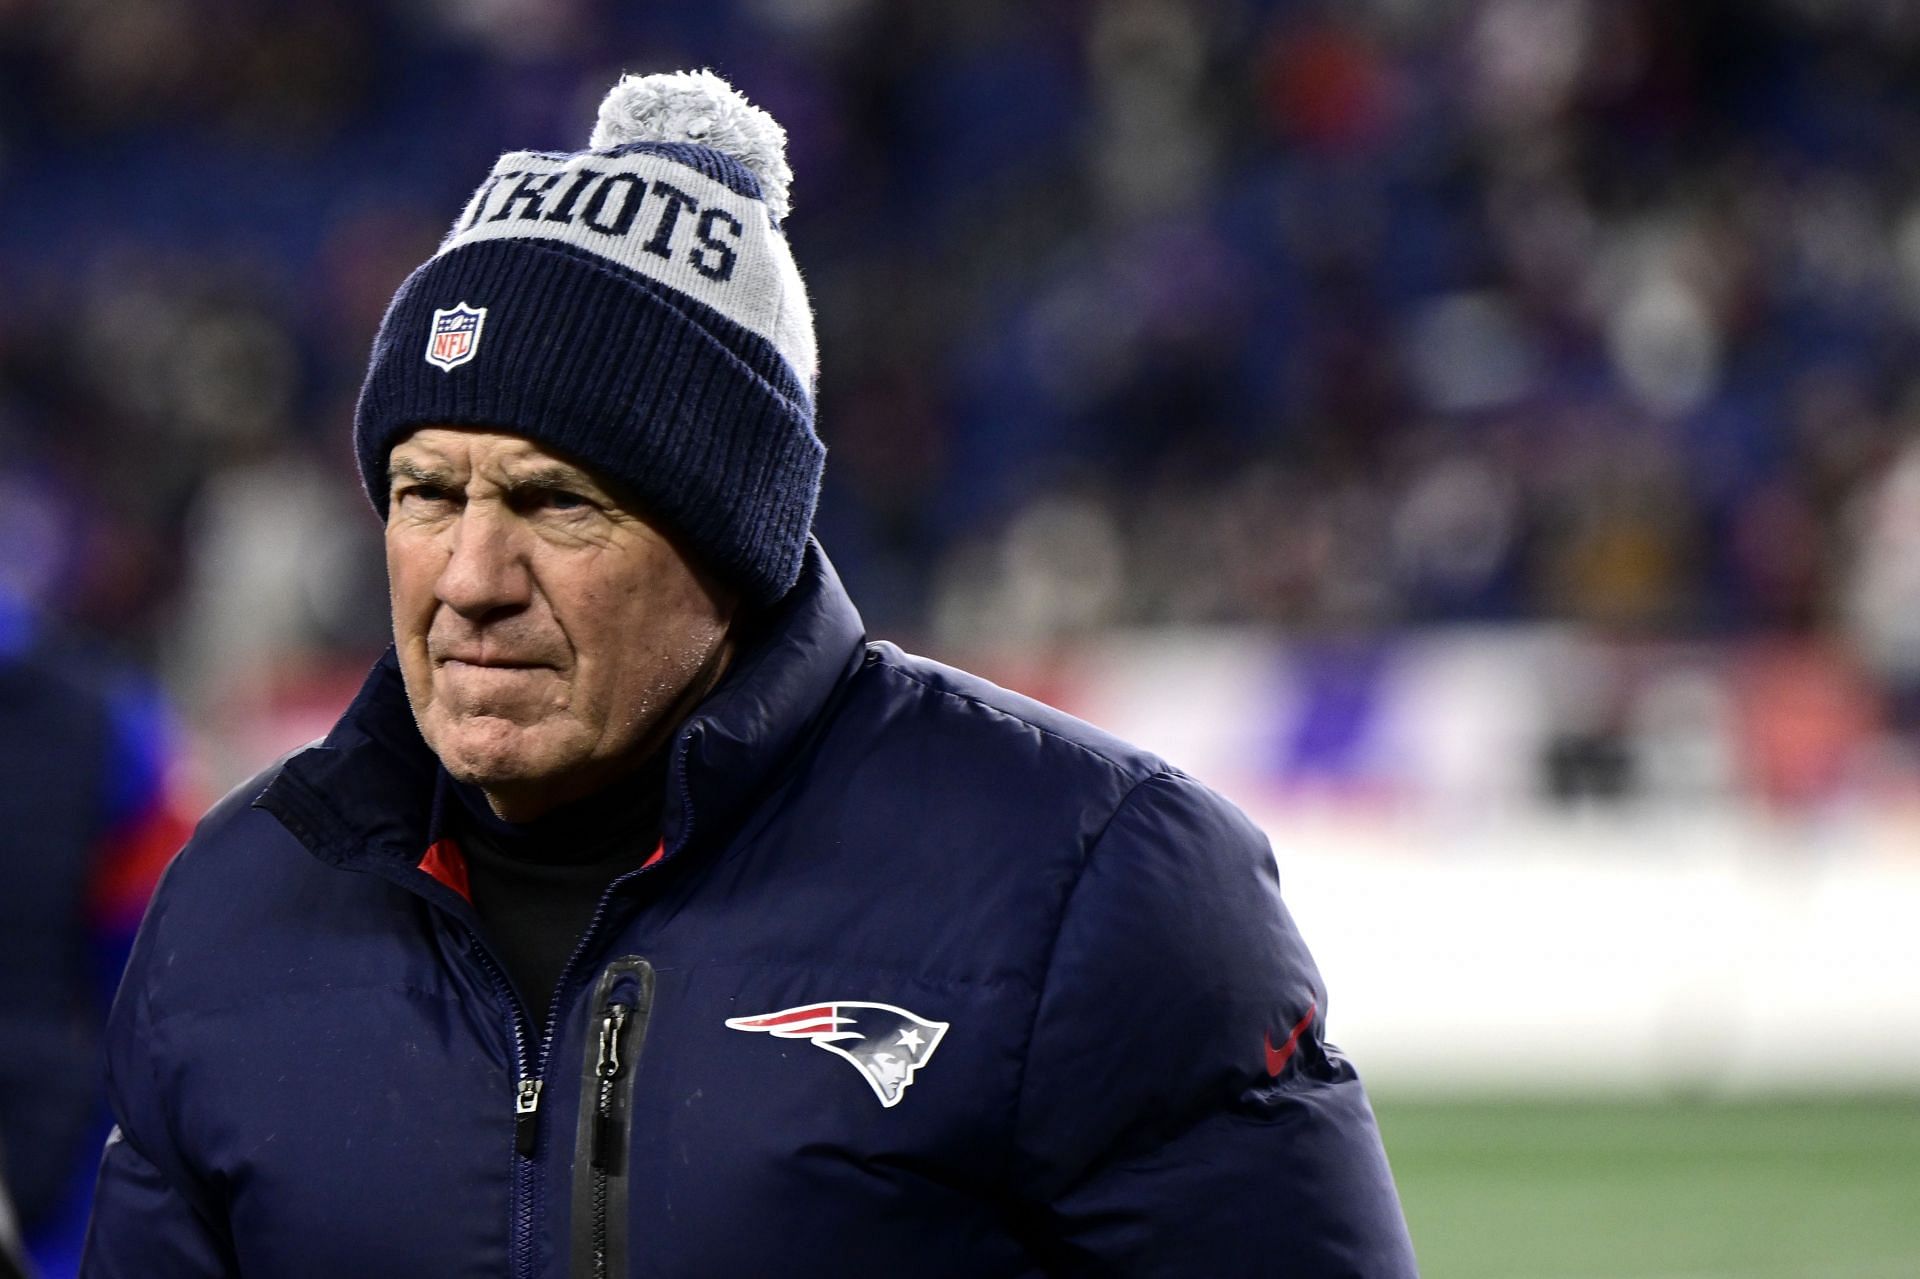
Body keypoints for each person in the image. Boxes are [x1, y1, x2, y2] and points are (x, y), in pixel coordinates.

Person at [83, 70, 1417, 1276]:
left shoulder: (1091, 884)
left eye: (558, 504)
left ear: (730, 539)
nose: (470, 576)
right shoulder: (236, 911)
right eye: (427, 494)